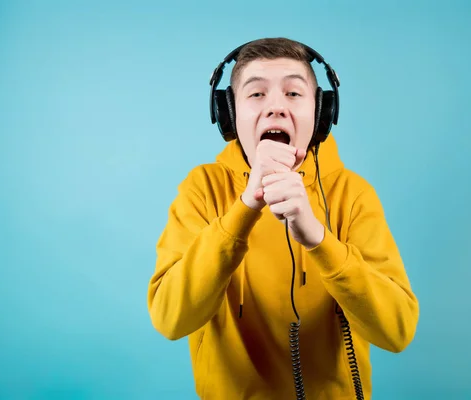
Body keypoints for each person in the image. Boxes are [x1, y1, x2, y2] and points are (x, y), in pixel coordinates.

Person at [147, 37, 419, 399]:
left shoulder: (353, 195)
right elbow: (169, 319)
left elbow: (396, 332)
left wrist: (320, 241)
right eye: (256, 94)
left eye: (293, 93)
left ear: (321, 112)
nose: (276, 107)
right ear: (229, 113)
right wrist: (245, 208)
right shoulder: (201, 189)